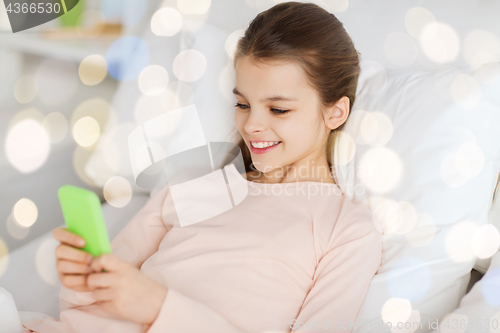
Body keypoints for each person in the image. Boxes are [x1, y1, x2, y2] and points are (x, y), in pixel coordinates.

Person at [22, 2, 382, 332]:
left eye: (278, 109)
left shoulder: (346, 229)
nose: (252, 125)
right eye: (242, 104)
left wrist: (159, 307)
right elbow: (93, 306)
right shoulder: (197, 187)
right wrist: (83, 279)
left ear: (336, 112)